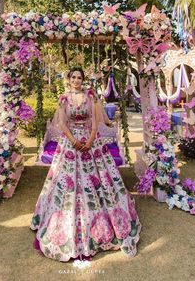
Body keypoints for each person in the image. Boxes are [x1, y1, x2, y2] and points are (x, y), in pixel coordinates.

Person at [30, 67, 141, 262]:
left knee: (99, 181)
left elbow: (95, 121)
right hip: (71, 144)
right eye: (73, 77)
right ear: (69, 78)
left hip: (91, 142)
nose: (76, 80)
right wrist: (73, 141)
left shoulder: (91, 96)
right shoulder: (64, 98)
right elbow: (63, 123)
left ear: (83, 79)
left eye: (79, 77)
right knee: (67, 183)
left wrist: (90, 141)